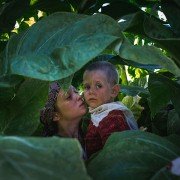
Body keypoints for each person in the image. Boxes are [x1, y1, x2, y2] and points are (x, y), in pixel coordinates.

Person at [83, 60, 138, 158]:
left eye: (98, 86)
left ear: (113, 91)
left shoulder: (112, 118)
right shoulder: (100, 113)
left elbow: (116, 155)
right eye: (87, 87)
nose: (91, 91)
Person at [40, 82, 87, 155]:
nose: (79, 96)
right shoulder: (54, 151)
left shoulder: (89, 127)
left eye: (76, 92)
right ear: (55, 116)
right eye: (68, 97)